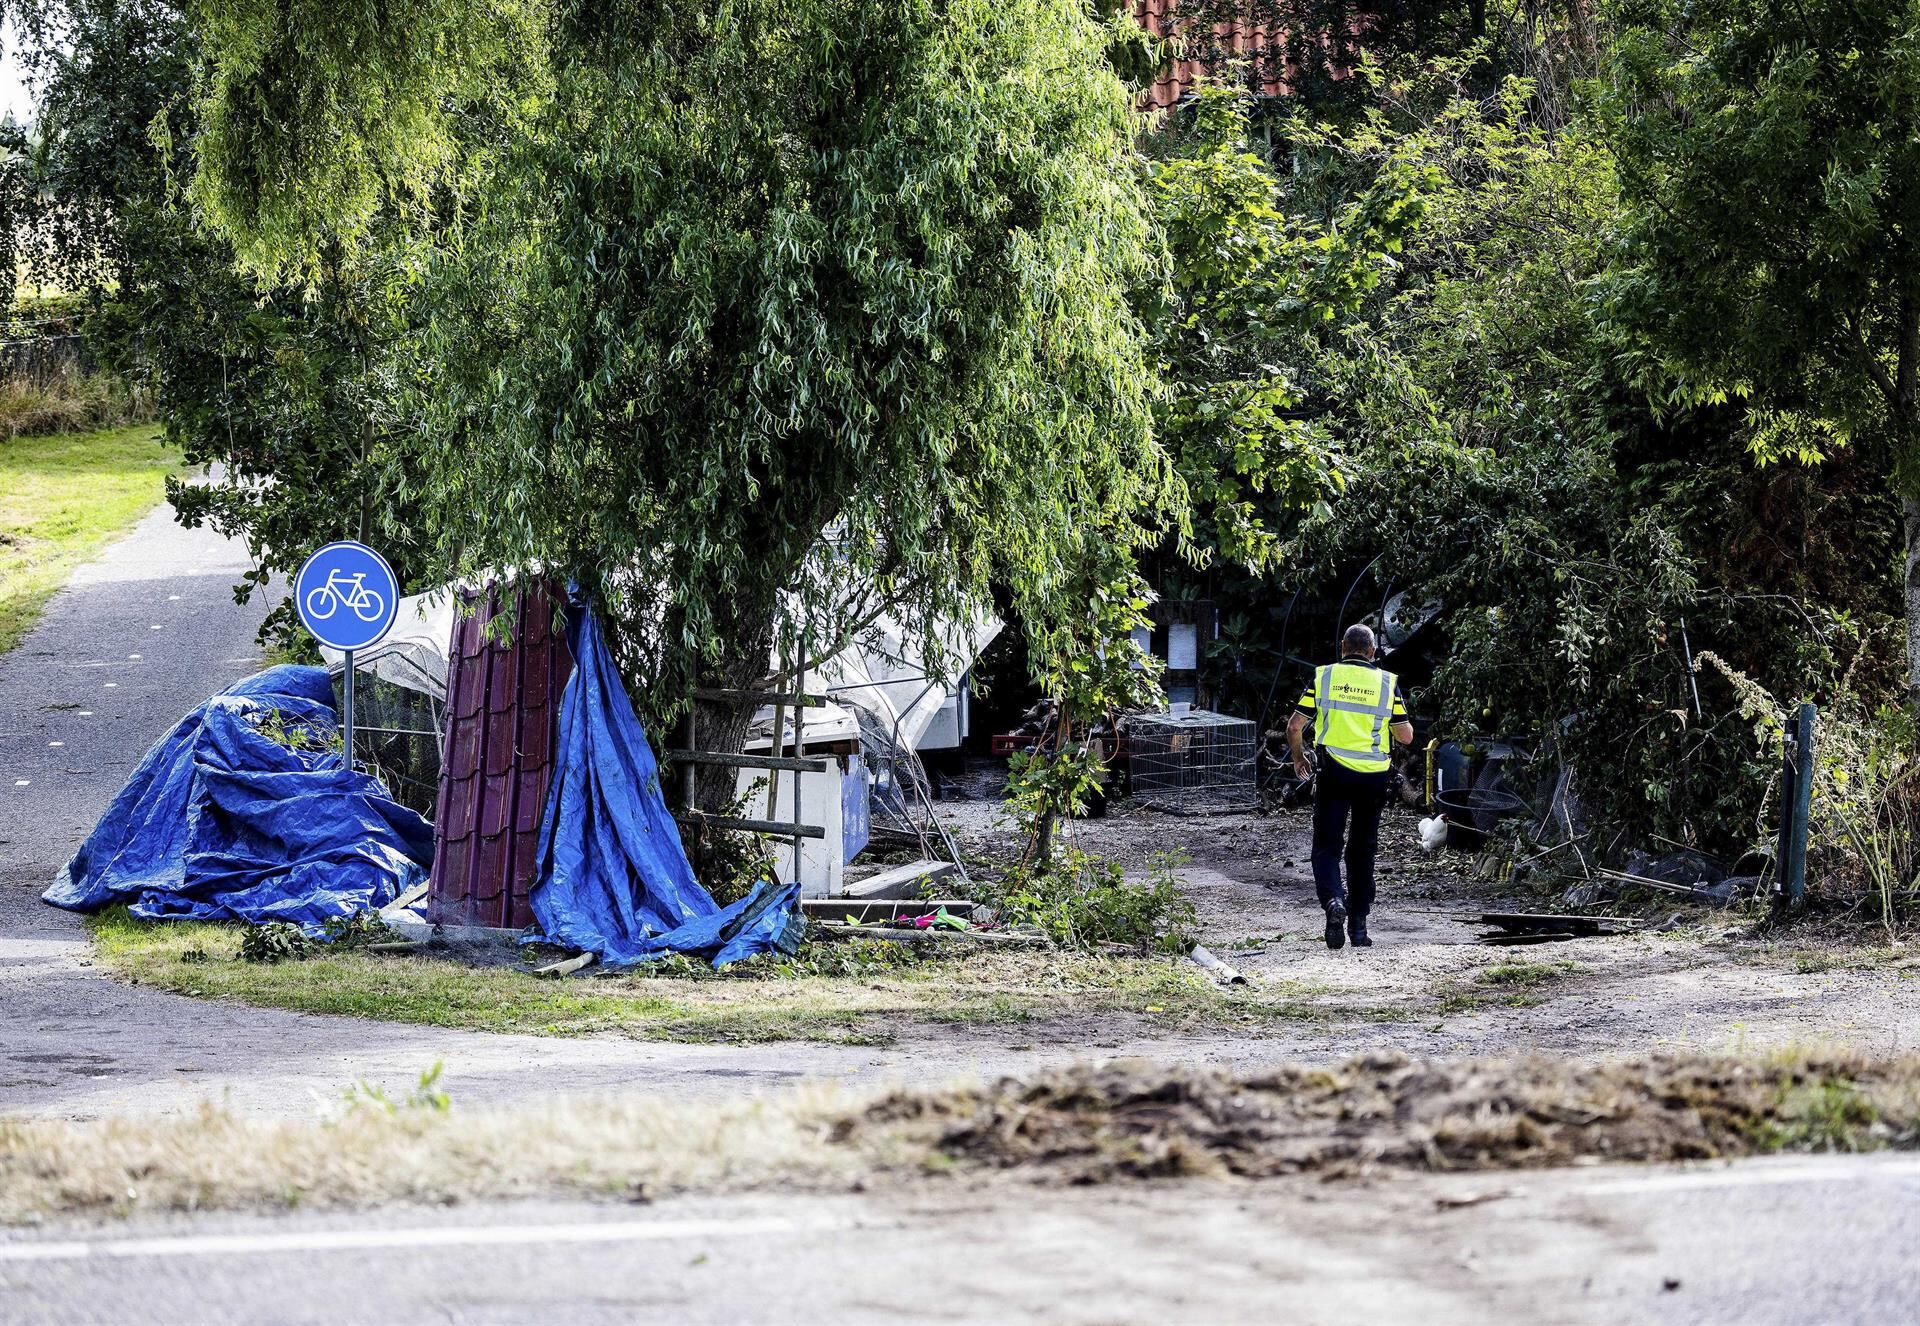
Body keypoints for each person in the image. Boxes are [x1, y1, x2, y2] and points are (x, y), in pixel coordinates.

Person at [1286, 624, 1414, 949]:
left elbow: (1295, 726)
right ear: (1372, 652)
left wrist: (1299, 759)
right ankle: (1358, 928)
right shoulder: (1387, 684)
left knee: (1327, 847)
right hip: (1373, 776)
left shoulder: (1324, 678)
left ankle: (1333, 902)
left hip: (1334, 772)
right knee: (1362, 849)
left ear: (1342, 646)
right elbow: (1406, 736)